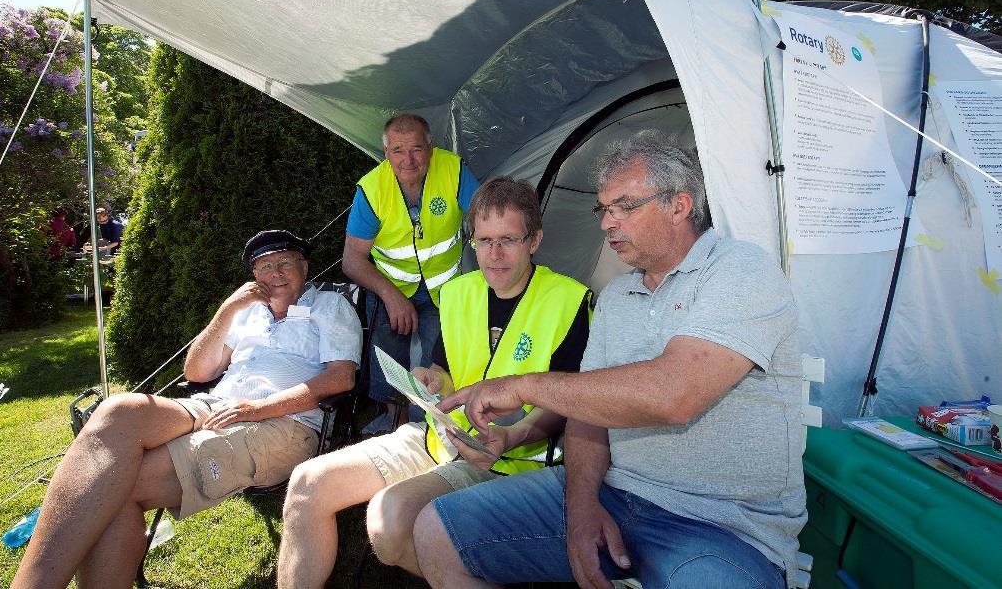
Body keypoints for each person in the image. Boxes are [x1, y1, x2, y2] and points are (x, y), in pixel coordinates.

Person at [413, 137, 806, 589]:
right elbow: (588, 416)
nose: (608, 224)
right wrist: (582, 510)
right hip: (615, 495)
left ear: (679, 205)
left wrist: (524, 386)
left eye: (624, 207)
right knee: (436, 531)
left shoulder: (742, 272)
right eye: (603, 210)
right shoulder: (619, 296)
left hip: (721, 525)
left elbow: (674, 396)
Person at [278, 177, 591, 588]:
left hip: (508, 462)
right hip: (440, 437)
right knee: (307, 484)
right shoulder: (459, 292)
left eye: (508, 240)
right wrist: (431, 379)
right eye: (483, 241)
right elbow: (446, 369)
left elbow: (567, 405)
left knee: (388, 527)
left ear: (534, 241)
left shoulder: (568, 300)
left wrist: (510, 438)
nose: (494, 255)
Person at [11, 230, 362, 589]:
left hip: (284, 423)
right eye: (264, 266)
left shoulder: (330, 306)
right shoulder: (248, 313)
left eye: (284, 262)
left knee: (115, 488)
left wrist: (257, 408)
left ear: (304, 266)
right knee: (119, 410)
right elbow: (196, 372)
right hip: (217, 407)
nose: (275, 272)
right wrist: (228, 310)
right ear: (254, 277)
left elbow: (340, 378)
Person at [342, 113, 480, 430]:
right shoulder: (372, 189)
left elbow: (484, 217)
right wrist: (391, 296)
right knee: (388, 366)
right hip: (390, 288)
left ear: (431, 147)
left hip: (444, 291)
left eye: (417, 148)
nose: (408, 160)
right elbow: (352, 260)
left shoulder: (453, 170)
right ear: (386, 153)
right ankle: (395, 423)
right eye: (398, 151)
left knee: (437, 366)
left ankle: (426, 432)